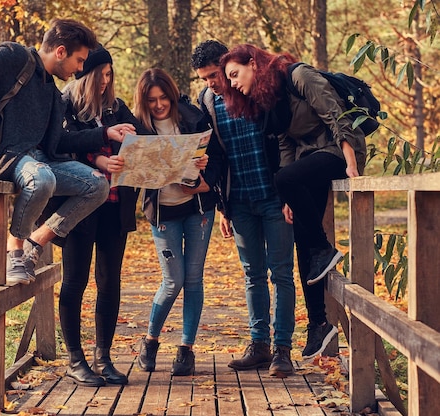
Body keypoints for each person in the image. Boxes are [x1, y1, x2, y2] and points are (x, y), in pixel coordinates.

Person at [0, 19, 135, 286]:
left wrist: (105, 134)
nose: (80, 69)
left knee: (97, 185)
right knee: (42, 177)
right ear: (60, 52)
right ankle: (15, 250)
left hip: (38, 162)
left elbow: (59, 143)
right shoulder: (17, 56)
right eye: (79, 61)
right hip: (3, 157)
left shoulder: (52, 93)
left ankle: (35, 242)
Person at [219, 44, 366, 359]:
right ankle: (319, 324)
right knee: (302, 239)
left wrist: (351, 159)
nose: (231, 84)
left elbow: (334, 112)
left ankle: (325, 248)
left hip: (338, 150)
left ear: (253, 64)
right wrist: (288, 196)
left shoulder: (298, 75)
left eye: (234, 74)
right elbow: (286, 143)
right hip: (307, 161)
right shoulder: (269, 99)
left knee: (286, 186)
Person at [191, 40, 296, 377]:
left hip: (274, 198)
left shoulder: (258, 91)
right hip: (239, 202)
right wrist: (223, 207)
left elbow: (284, 140)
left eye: (213, 75)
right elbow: (217, 159)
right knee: (252, 275)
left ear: (226, 67)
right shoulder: (208, 103)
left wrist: (289, 193)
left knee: (281, 273)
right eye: (203, 79)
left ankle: (283, 350)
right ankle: (259, 345)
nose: (210, 83)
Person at [58, 44, 147, 386]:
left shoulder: (117, 107)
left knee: (109, 281)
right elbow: (59, 144)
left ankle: (104, 357)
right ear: (86, 73)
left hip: (114, 205)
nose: (106, 82)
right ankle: (75, 359)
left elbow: (143, 140)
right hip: (79, 207)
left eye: (110, 75)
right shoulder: (66, 105)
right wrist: (96, 160)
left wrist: (138, 146)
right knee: (75, 280)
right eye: (101, 75)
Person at [134, 68, 224, 376]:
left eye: (164, 99)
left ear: (172, 96)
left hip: (197, 208)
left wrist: (204, 170)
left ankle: (186, 350)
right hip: (162, 212)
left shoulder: (193, 118)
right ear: (143, 102)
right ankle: (150, 341)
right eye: (152, 100)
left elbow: (216, 160)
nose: (159, 105)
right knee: (173, 281)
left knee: (194, 279)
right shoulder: (138, 127)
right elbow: (134, 172)